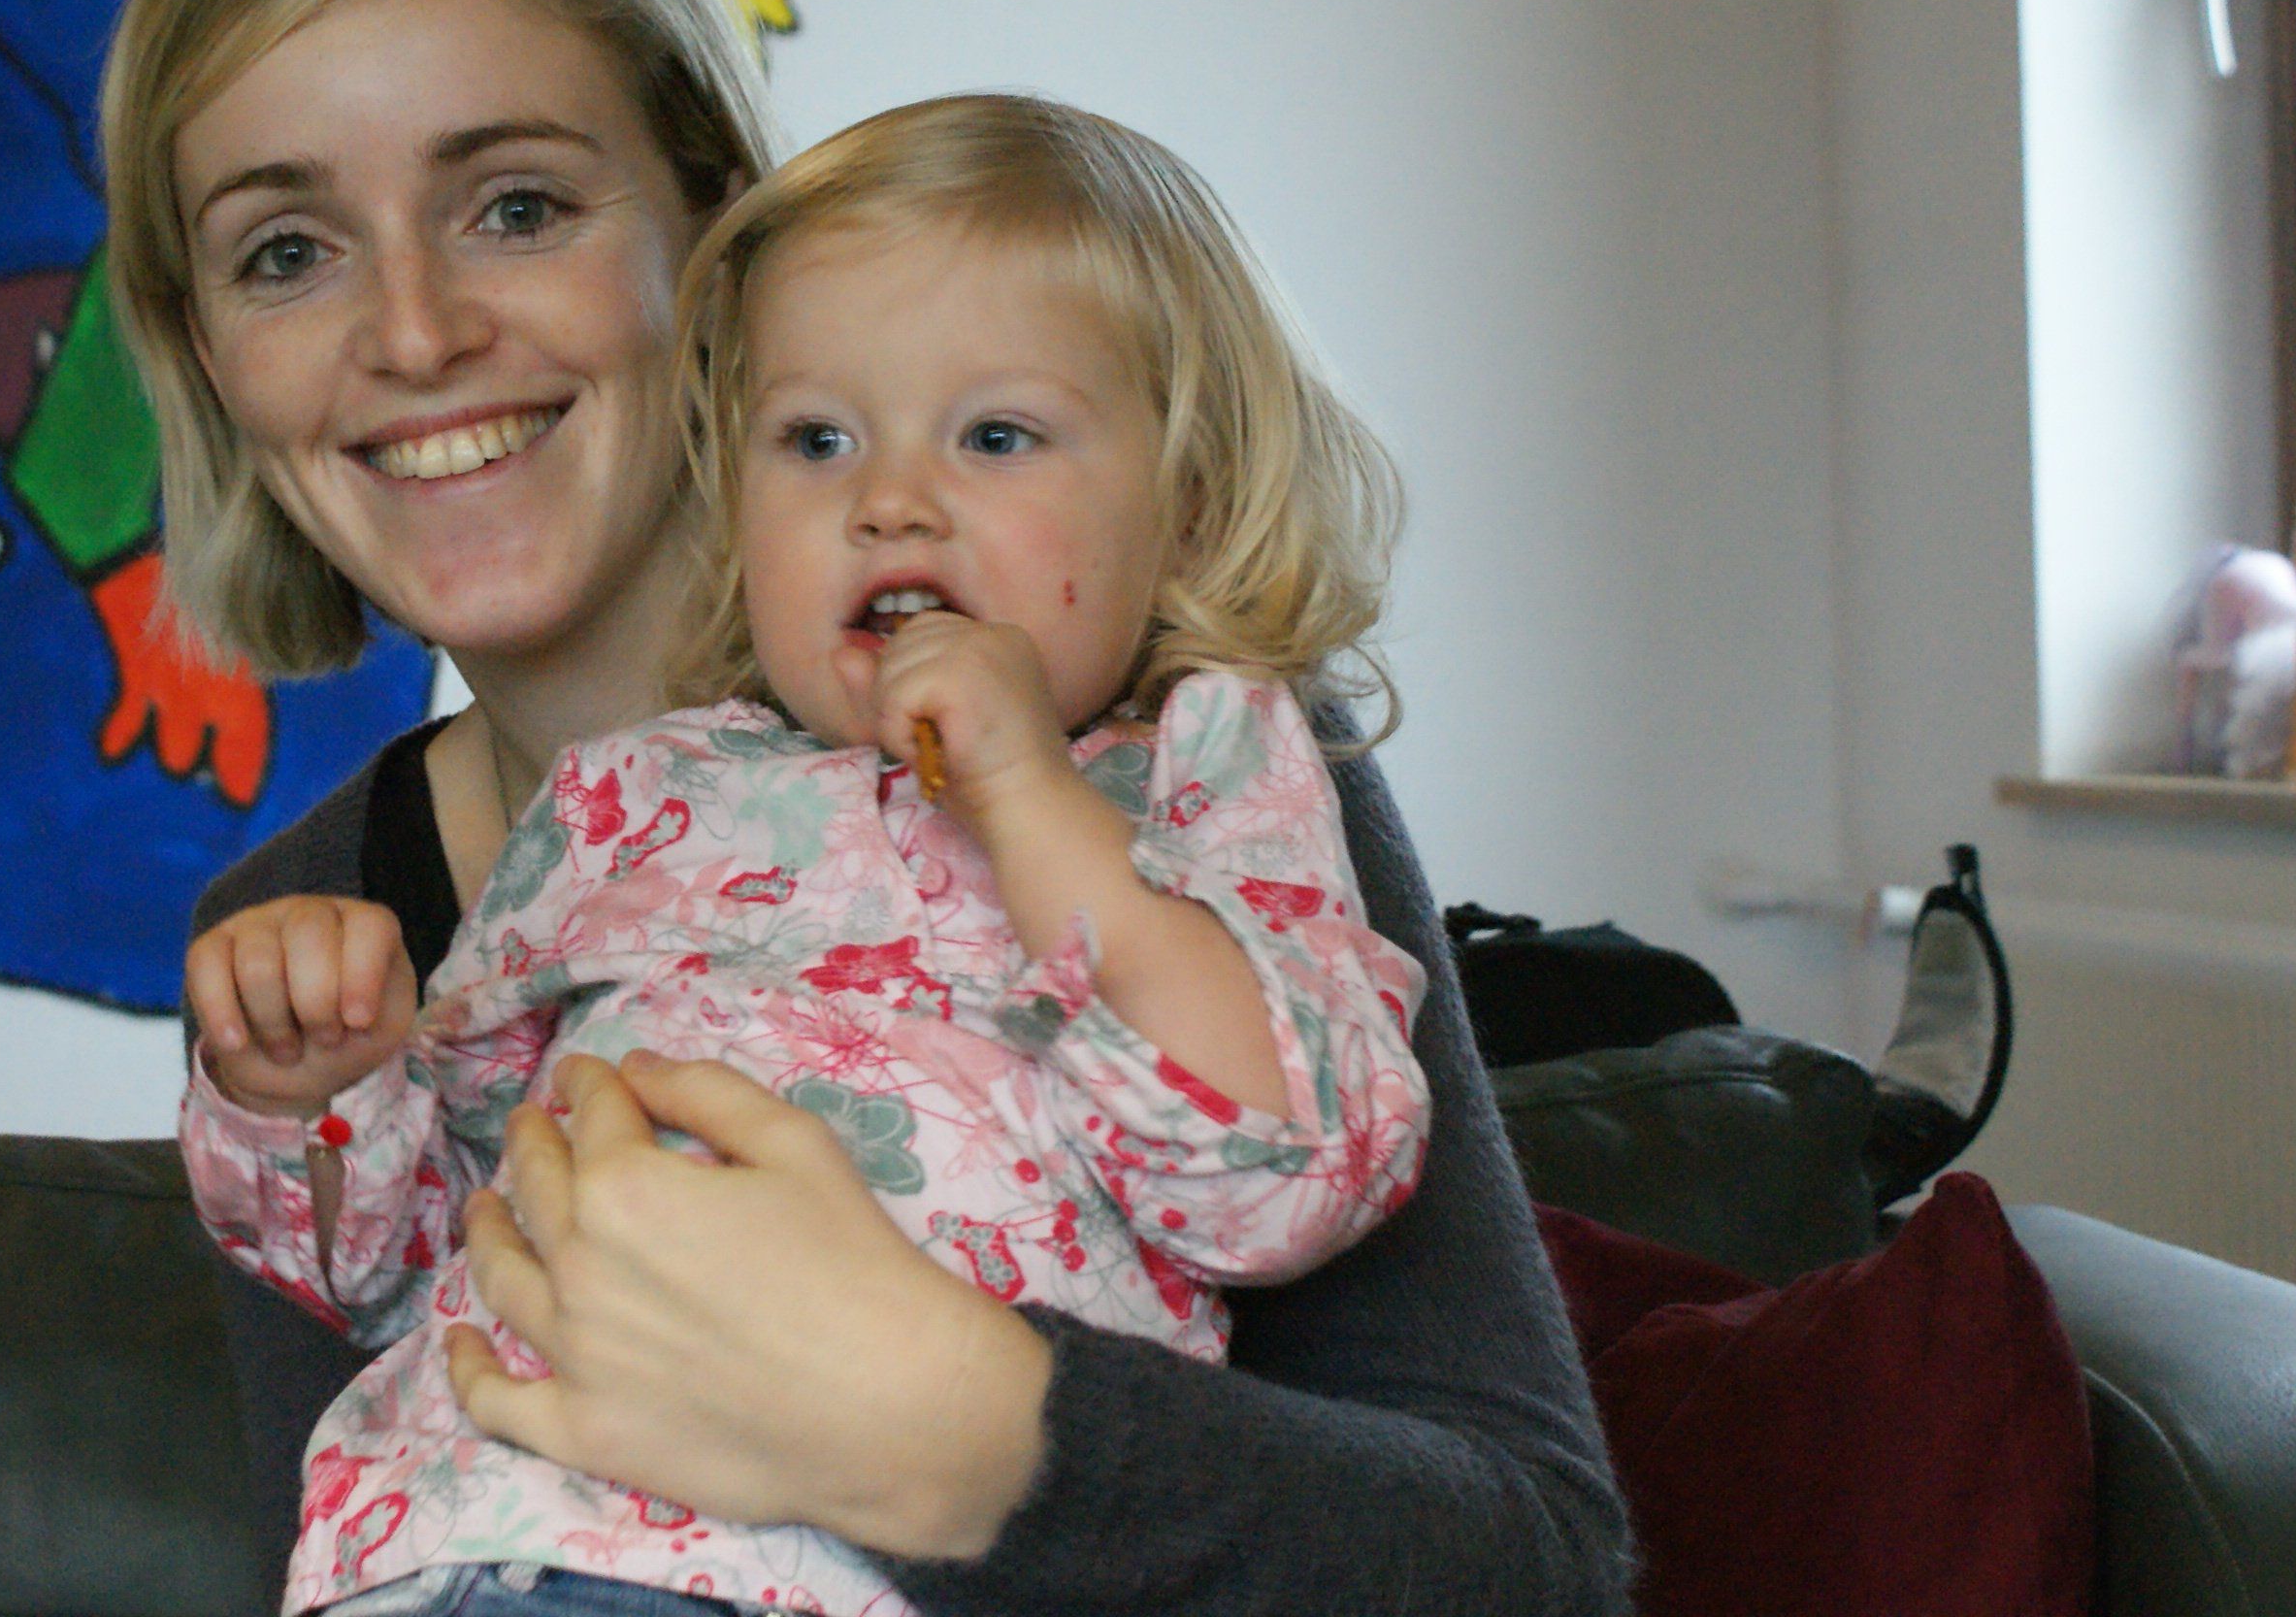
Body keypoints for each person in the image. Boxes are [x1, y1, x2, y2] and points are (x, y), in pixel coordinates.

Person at [104, 0, 1631, 1617]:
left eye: (517, 206)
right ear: (207, 351)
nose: (416, 333)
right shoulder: (298, 948)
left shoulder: (1158, 750)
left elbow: (1533, 1567)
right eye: (287, 250)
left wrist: (953, 1434)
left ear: (717, 233)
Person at [181, 92, 1439, 1616]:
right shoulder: (634, 796)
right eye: (816, 440)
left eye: (996, 435)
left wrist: (1027, 797)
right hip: (460, 1543)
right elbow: (416, 1255)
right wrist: (316, 1086)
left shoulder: (1202, 776)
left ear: (1187, 503)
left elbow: (1277, 1180)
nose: (887, 501)